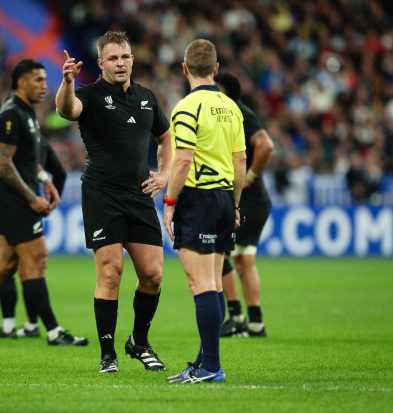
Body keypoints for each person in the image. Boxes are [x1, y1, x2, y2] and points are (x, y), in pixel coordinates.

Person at [0, 59, 88, 347]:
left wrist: (43, 177)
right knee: (37, 260)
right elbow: (3, 164)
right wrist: (32, 197)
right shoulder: (10, 114)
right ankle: (52, 331)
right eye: (38, 80)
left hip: (12, 197)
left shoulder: (26, 113)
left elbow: (24, 160)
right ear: (21, 82)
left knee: (3, 264)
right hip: (14, 200)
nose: (44, 85)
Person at [56, 31, 171, 373]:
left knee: (152, 274)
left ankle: (138, 341)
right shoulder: (89, 94)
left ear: (132, 59)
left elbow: (165, 137)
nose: (120, 63)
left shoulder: (147, 98)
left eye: (125, 57)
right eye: (113, 58)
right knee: (111, 271)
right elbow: (66, 109)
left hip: (139, 194)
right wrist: (67, 83)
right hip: (102, 193)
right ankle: (108, 354)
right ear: (101, 63)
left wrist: (164, 173)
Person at [163, 39, 246, 384]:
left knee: (202, 284)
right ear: (215, 69)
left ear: (184, 69)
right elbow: (240, 161)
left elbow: (182, 160)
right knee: (212, 282)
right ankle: (204, 362)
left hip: (198, 199)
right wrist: (236, 204)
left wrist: (169, 203)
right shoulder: (231, 108)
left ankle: (211, 366)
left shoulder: (185, 107)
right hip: (226, 197)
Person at [0, 132, 68, 339]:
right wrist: (52, 200)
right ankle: (33, 324)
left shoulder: (5, 137)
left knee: (7, 265)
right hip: (28, 205)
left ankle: (6, 326)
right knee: (27, 266)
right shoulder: (39, 139)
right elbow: (59, 173)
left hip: (8, 205)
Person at [214, 72, 273, 338]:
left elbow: (266, 145)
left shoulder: (239, 113)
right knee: (242, 260)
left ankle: (237, 317)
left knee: (221, 253)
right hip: (249, 200)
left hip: (248, 200)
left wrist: (248, 178)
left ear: (225, 92)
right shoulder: (229, 113)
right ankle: (255, 324)